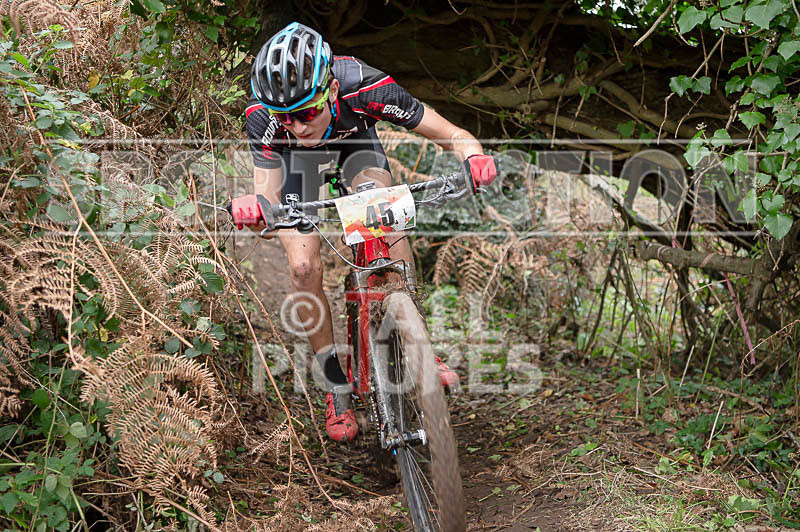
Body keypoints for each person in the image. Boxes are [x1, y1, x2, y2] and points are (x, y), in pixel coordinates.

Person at [232, 22, 496, 442]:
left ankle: (420, 345)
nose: (297, 126)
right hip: (297, 167)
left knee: (384, 216)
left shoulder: (365, 86)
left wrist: (474, 156)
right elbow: (267, 196)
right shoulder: (264, 116)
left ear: (332, 90)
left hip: (357, 150)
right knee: (302, 268)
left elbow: (453, 134)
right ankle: (335, 385)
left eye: (307, 112)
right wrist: (257, 210)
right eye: (286, 118)